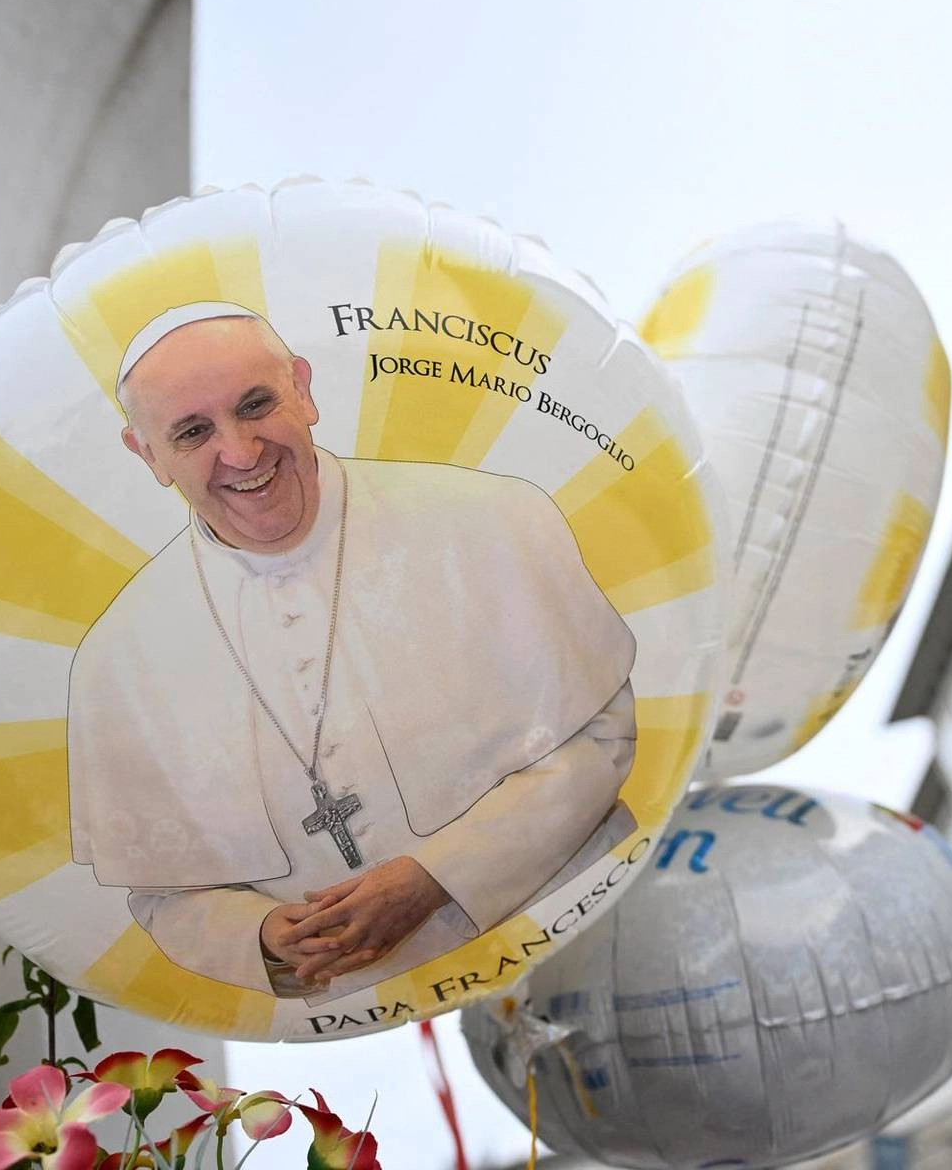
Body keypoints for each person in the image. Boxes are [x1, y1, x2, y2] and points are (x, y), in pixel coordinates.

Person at [66, 301, 637, 1000]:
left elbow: (599, 737)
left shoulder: (491, 520)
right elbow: (165, 895)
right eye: (192, 432)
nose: (241, 452)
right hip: (359, 1023)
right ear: (148, 454)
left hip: (586, 939)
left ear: (302, 390)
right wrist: (264, 935)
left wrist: (438, 877)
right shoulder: (118, 661)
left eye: (256, 405)